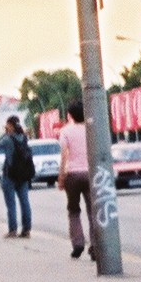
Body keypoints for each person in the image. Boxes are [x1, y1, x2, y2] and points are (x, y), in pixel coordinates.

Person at [57, 99, 93, 259]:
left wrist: (61, 177)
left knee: (73, 210)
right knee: (93, 211)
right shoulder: (91, 129)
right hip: (90, 174)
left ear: (69, 115)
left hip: (72, 175)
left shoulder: (65, 131)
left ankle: (78, 243)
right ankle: (96, 246)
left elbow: (64, 155)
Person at [0, 114, 35, 239]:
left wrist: (5, 133)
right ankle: (26, 229)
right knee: (25, 202)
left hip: (10, 175)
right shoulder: (24, 137)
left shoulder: (8, 139)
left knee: (11, 204)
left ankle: (12, 230)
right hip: (23, 175)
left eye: (7, 125)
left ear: (10, 125)